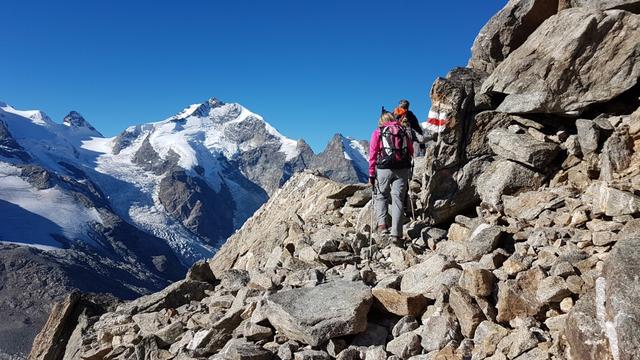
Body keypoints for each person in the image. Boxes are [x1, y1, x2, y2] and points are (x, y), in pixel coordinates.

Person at [368, 111, 414, 244]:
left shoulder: (379, 132)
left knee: (381, 196)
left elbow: (372, 153)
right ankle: (396, 235)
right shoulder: (403, 130)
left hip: (384, 168)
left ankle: (382, 226)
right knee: (398, 198)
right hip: (402, 169)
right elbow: (411, 151)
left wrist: (371, 173)